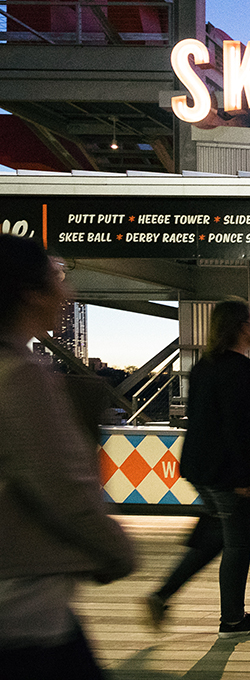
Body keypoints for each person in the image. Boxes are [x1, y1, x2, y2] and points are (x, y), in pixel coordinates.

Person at [0, 234, 135, 677]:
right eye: (57, 278)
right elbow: (61, 485)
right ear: (30, 293)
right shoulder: (22, 376)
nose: (66, 291)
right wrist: (114, 550)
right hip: (25, 602)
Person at [146, 300, 250, 637]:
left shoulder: (204, 366)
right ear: (240, 326)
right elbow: (238, 427)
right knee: (237, 544)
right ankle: (232, 620)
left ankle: (162, 594)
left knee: (216, 536)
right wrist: (243, 477)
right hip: (227, 471)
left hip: (199, 466)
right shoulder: (240, 368)